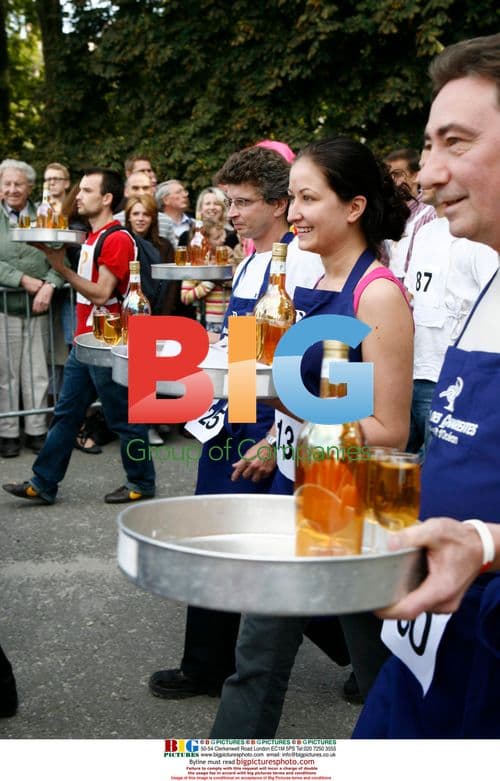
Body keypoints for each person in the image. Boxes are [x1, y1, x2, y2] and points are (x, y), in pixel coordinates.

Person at [210, 136, 414, 738]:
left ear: (352, 207)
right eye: (291, 197)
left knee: (383, 671)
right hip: (309, 488)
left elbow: (388, 428)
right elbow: (328, 399)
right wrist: (275, 438)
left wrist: (285, 406)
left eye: (306, 197)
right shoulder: (308, 284)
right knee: (256, 656)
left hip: (364, 505)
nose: (292, 211)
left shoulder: (374, 293)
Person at [353, 32, 500, 739]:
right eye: (427, 144)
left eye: (455, 142)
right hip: (426, 650)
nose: (427, 173)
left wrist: (487, 542)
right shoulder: (489, 271)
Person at [148, 146, 307, 700]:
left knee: (265, 547)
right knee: (215, 536)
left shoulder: (300, 262)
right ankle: (207, 664)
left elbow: (303, 365)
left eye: (243, 202)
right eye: (230, 200)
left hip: (268, 420)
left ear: (281, 203)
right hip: (234, 412)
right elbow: (241, 343)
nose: (231, 211)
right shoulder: (250, 259)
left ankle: (364, 646)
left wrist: (270, 436)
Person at [2, 167, 155, 505]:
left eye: (86, 190)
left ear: (107, 198)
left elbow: (101, 294)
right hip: (87, 342)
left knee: (122, 418)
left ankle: (142, 482)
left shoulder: (115, 238)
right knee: (67, 414)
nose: (78, 196)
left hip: (109, 342)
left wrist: (59, 267)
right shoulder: (92, 235)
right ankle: (43, 483)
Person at [404, 150, 498, 458]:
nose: (421, 177)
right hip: (411, 375)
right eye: (420, 166)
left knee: (435, 478)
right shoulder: (425, 231)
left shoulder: (476, 235)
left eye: (428, 166)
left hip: (448, 383)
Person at [0, 158, 66, 458]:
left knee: (39, 370)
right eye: (7, 184)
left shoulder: (45, 214)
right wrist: (21, 279)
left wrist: (50, 285)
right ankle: (8, 432)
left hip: (40, 305)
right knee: (7, 373)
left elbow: (60, 257)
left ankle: (37, 429)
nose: (13, 189)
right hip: (5, 306)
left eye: (19, 184)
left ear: (29, 187)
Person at [384, 148, 436, 281]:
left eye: (397, 174)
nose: (391, 181)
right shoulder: (386, 215)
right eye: (388, 175)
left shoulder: (430, 215)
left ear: (415, 176)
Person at [115, 172, 176, 246]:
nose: (141, 193)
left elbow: (172, 254)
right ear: (126, 192)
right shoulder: (115, 221)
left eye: (145, 188)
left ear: (153, 191)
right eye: (135, 188)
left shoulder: (166, 221)